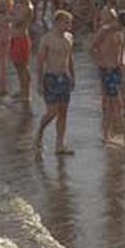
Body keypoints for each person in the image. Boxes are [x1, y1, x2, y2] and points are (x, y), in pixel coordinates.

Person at [34, 10, 76, 154]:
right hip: (50, 77)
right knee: (52, 112)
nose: (69, 25)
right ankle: (40, 132)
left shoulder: (69, 38)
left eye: (70, 22)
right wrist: (39, 83)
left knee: (63, 112)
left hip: (64, 77)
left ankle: (60, 144)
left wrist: (73, 76)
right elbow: (39, 62)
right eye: (66, 22)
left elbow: (70, 59)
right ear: (57, 22)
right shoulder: (47, 39)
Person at [91, 5, 125, 146]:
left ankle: (106, 135)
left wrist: (123, 65)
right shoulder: (104, 31)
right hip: (107, 70)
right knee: (117, 103)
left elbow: (122, 50)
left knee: (111, 103)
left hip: (116, 69)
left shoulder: (120, 32)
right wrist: (101, 63)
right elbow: (92, 48)